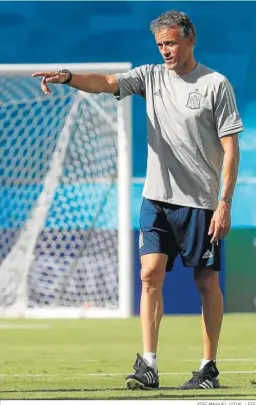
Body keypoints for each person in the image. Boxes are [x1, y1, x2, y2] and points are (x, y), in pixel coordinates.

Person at [32, 9, 243, 390]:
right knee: (149, 276)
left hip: (201, 202)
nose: (165, 50)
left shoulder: (215, 84)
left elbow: (231, 149)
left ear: (190, 39)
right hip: (156, 198)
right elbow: (105, 82)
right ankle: (148, 365)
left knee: (205, 282)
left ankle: (208, 366)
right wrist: (67, 77)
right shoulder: (149, 77)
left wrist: (225, 202)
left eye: (172, 42)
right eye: (160, 44)